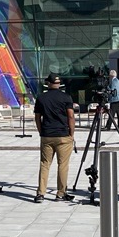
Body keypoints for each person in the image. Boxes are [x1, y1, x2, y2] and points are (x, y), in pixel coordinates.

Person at [34, 72, 76, 203]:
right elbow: (70, 116)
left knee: (45, 164)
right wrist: (71, 133)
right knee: (63, 165)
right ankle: (60, 193)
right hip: (63, 135)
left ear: (48, 83)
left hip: (47, 134)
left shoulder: (41, 98)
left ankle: (41, 193)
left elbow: (37, 117)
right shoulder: (66, 97)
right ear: (58, 83)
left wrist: (41, 131)